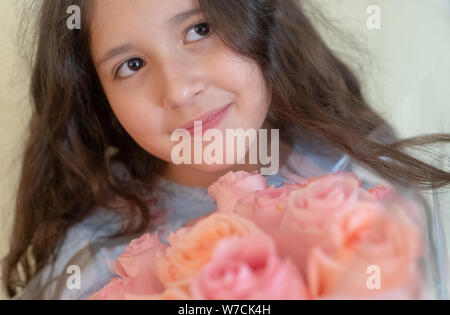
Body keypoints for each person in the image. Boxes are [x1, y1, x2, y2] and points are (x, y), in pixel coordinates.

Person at [2, 0, 449, 299]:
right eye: (131, 65)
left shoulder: (365, 173)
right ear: (99, 99)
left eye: (199, 30)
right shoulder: (97, 258)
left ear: (260, 20)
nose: (178, 89)